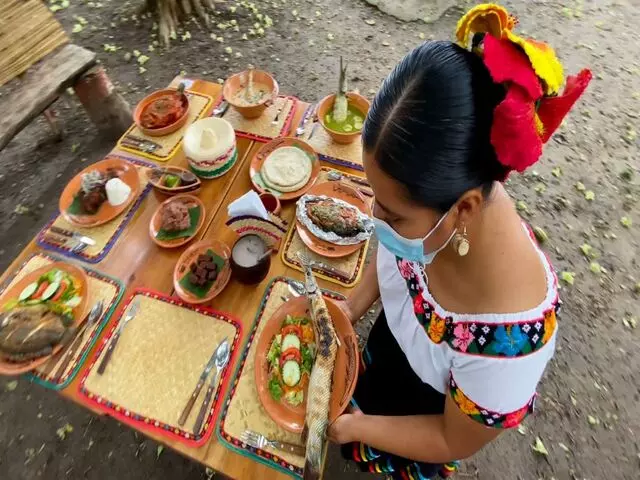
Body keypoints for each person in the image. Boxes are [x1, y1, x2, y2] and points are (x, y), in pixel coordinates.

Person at [327, 4, 592, 479]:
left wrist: (357, 429)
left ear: (465, 209)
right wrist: (349, 309)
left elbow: (451, 437)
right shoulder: (438, 209)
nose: (375, 221)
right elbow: (395, 251)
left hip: (425, 416)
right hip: (391, 357)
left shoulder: (508, 347)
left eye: (390, 214)